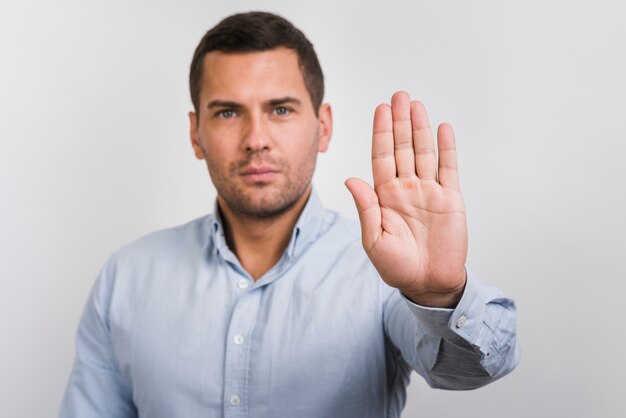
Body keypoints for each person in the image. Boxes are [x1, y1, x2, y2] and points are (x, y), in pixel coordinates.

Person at [59, 11, 519, 418]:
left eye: (280, 109)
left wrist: (439, 294)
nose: (256, 138)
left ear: (323, 128)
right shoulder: (127, 277)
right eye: (227, 113)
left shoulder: (383, 274)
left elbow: (471, 371)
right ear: (195, 134)